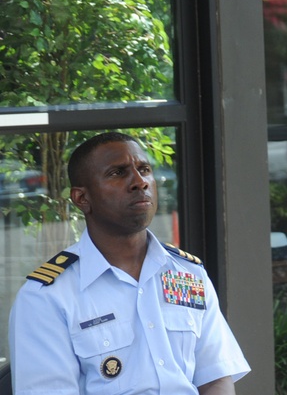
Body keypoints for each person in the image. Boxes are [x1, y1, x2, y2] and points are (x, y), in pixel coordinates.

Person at [8, 132, 250, 394]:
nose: (139, 181)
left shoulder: (187, 274)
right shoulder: (47, 297)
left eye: (144, 169)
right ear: (82, 198)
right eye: (117, 173)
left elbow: (215, 378)